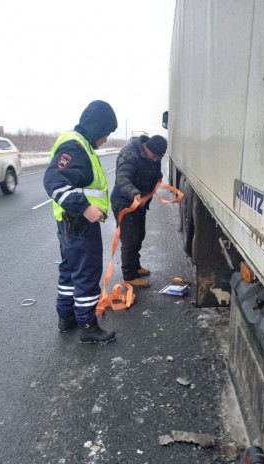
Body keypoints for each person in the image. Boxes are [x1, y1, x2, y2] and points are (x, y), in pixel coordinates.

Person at [43, 100, 117, 343]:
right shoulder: (76, 147)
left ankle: (66, 317)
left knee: (70, 270)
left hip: (68, 223)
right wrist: (84, 208)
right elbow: (54, 181)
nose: (106, 139)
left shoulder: (80, 144)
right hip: (79, 223)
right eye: (106, 133)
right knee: (86, 272)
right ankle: (87, 325)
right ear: (98, 128)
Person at [110, 134, 167, 287]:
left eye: (158, 159)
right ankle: (129, 276)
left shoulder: (154, 156)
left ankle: (136, 266)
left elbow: (155, 173)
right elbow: (122, 178)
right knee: (130, 239)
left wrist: (158, 179)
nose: (155, 160)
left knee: (139, 235)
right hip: (125, 203)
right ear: (146, 148)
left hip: (140, 203)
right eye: (154, 156)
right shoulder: (130, 154)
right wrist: (135, 194)